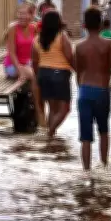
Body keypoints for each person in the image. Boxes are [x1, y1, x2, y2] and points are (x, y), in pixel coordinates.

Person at [75, 7, 111, 172]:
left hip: (84, 92)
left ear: (84, 25)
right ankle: (104, 166)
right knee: (103, 131)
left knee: (85, 138)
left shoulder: (79, 46)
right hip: (102, 92)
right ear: (100, 25)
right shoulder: (108, 44)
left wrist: (81, 91)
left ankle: (86, 173)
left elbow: (78, 73)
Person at [32, 10, 74, 140]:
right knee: (65, 109)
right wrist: (78, 71)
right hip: (59, 74)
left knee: (53, 109)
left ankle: (51, 139)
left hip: (43, 73)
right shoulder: (62, 36)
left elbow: (34, 61)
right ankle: (50, 133)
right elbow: (69, 57)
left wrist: (38, 76)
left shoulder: (37, 39)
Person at [4, 3, 43, 125]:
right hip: (12, 65)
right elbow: (11, 52)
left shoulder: (34, 28)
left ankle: (39, 109)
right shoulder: (12, 28)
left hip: (28, 64)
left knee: (43, 76)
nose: (22, 16)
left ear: (31, 15)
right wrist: (20, 70)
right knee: (35, 76)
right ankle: (39, 112)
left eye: (25, 14)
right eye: (20, 13)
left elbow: (38, 50)